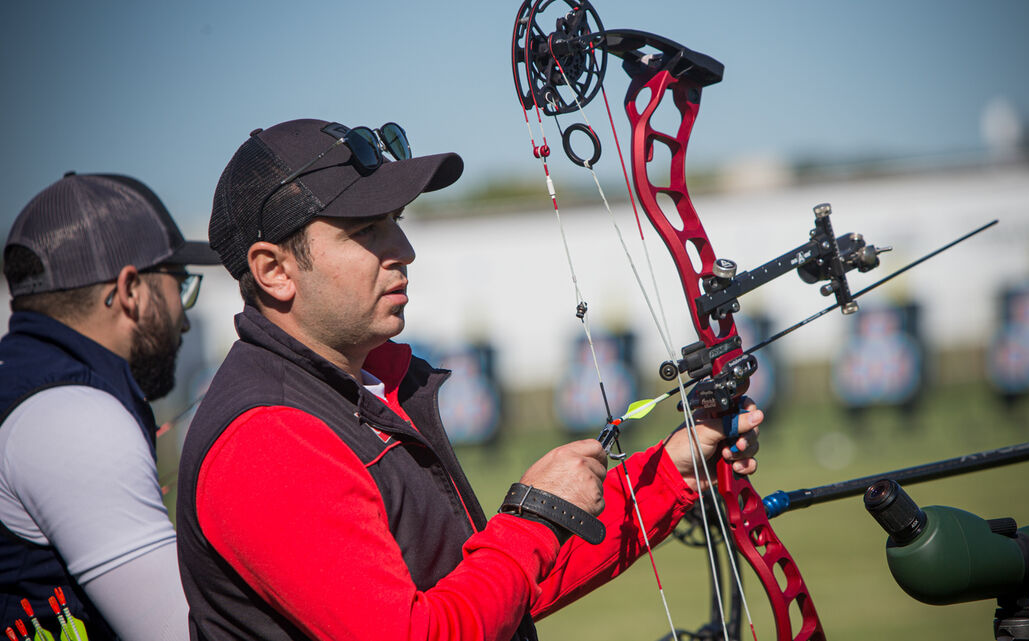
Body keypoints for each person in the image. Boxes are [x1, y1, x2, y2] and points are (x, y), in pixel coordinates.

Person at [176, 119, 763, 641]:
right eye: (365, 231)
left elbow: (489, 593)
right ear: (274, 271)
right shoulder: (271, 439)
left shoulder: (364, 394)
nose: (402, 249)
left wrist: (671, 471)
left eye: (395, 223)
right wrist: (534, 518)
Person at [0, 173, 221, 640]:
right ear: (130, 291)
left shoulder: (23, 380)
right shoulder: (72, 418)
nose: (184, 319)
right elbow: (180, 633)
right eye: (179, 286)